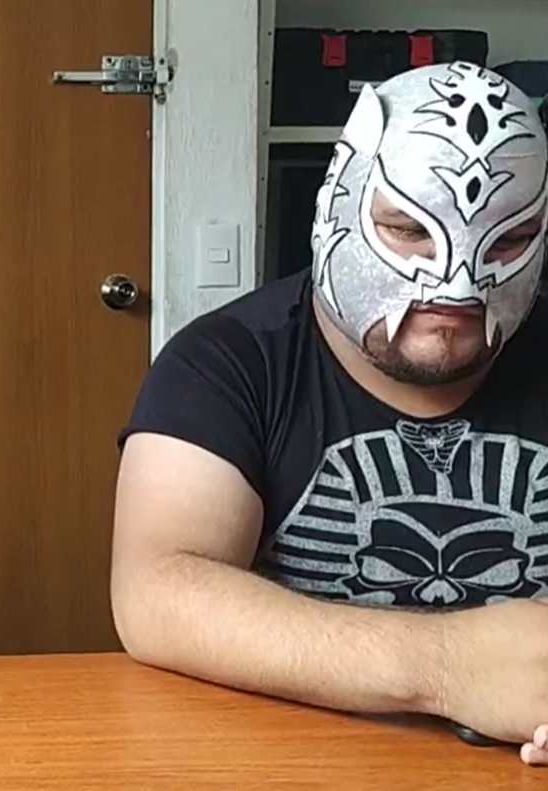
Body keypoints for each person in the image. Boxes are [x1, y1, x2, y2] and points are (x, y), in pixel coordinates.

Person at [110, 61, 548, 765]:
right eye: (407, 229)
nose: (457, 284)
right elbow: (157, 589)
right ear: (339, 206)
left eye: (505, 242)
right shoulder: (227, 363)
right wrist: (448, 667)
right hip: (292, 763)